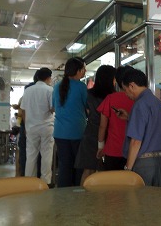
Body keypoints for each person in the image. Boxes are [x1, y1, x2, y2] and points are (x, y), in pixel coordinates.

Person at [119, 69, 161, 187]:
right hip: (159, 162)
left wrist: (128, 169)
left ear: (132, 85)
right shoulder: (158, 103)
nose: (126, 94)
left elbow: (136, 141)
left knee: (140, 203)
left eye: (125, 90)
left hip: (143, 164)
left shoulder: (139, 105)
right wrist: (130, 118)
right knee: (157, 202)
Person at [75, 65, 116, 185]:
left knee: (88, 169)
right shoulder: (113, 96)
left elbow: (85, 111)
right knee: (105, 172)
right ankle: (102, 200)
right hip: (108, 134)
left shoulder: (89, 94)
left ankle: (85, 197)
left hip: (90, 133)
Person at [53, 57, 88, 187]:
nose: (85, 71)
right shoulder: (81, 87)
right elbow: (88, 107)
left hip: (60, 133)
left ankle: (63, 197)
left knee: (64, 166)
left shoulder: (57, 87)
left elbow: (54, 107)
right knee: (78, 166)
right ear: (78, 71)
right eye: (83, 68)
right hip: (77, 132)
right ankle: (77, 195)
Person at [96, 65, 135, 170]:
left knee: (113, 184)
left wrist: (100, 146)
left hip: (112, 150)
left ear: (117, 81)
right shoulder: (138, 100)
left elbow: (102, 126)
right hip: (134, 150)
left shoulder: (110, 98)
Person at [21, 67, 54, 185]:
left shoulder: (28, 91)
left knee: (31, 155)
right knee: (46, 154)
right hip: (46, 127)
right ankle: (45, 182)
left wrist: (26, 126)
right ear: (48, 78)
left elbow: (23, 110)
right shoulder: (50, 90)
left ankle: (29, 182)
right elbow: (52, 108)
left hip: (31, 128)